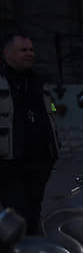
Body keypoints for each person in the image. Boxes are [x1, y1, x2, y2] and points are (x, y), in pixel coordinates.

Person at [0, 32, 59, 234]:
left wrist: (53, 149)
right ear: (7, 53)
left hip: (40, 159)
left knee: (34, 210)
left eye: (31, 50)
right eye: (23, 50)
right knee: (17, 211)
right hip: (9, 160)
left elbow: (48, 113)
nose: (29, 54)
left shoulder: (39, 79)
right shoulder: (2, 79)